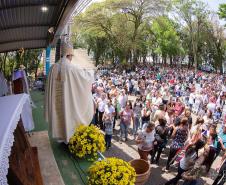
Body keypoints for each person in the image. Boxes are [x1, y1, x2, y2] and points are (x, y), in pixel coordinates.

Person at [45, 42, 95, 143]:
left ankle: (60, 137)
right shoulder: (72, 68)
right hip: (68, 104)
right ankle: (68, 137)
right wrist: (91, 72)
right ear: (70, 55)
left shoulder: (52, 68)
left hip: (57, 104)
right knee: (67, 113)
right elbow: (85, 80)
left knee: (59, 113)